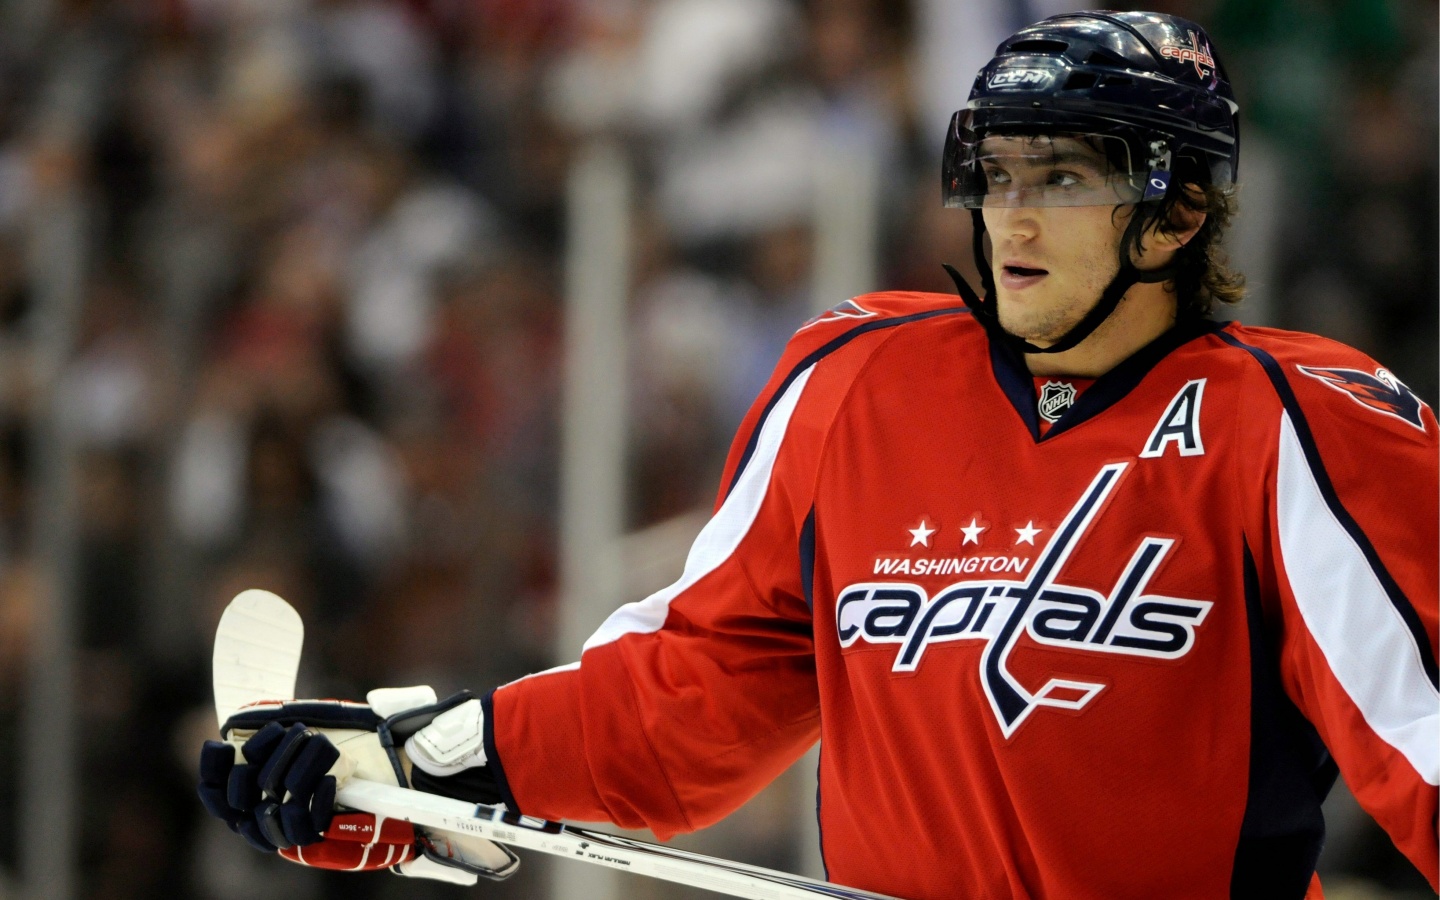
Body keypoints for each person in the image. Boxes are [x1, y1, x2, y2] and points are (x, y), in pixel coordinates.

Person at [197, 12, 1438, 898]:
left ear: (1177, 212)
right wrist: (420, 767)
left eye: (1061, 178)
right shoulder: (855, 383)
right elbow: (689, 698)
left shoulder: (1298, 421)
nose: (1010, 216)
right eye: (994, 174)